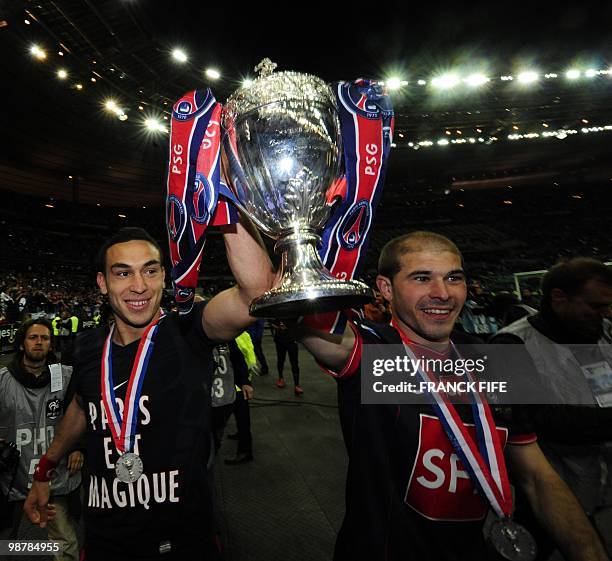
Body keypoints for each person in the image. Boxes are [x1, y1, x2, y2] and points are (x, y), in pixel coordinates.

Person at [295, 231, 607, 561]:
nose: (442, 293)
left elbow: (536, 475)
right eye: (421, 278)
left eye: (453, 278)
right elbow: (285, 303)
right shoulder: (377, 354)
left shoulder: (495, 358)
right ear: (386, 288)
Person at [23, 224, 274, 561]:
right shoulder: (86, 347)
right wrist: (45, 469)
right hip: (103, 540)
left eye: (150, 271)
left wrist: (226, 202)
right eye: (123, 273)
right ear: (103, 283)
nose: (138, 286)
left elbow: (257, 290)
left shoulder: (188, 331)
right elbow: (83, 408)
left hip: (181, 541)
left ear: (163, 277)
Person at [492, 257, 612, 555]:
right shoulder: (510, 344)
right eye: (595, 306)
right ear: (559, 298)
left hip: (604, 487)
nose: (605, 313)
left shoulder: (605, 330)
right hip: (555, 496)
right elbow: (540, 420)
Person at [0, 318, 83, 560]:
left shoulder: (66, 377)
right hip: (12, 478)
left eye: (45, 338)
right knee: (4, 545)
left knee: (65, 543)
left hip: (52, 476)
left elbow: (83, 413)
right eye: (33, 337)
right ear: (22, 344)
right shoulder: (3, 380)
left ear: (51, 345)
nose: (39, 343)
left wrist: (79, 447)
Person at [271, 320, 303, 395]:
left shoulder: (292, 312)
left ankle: (297, 385)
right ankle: (280, 378)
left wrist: (289, 327)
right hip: (280, 340)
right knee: (281, 360)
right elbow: (271, 322)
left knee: (294, 362)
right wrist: (278, 327)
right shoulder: (276, 311)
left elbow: (299, 322)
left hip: (292, 340)